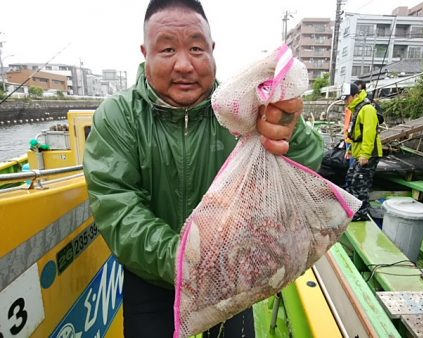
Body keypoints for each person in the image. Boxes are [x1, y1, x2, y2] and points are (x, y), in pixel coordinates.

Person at [83, 0, 324, 337]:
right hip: (152, 281)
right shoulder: (118, 116)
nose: (184, 64)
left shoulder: (242, 109)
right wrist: (185, 262)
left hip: (231, 283)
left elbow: (307, 164)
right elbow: (117, 205)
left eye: (196, 48)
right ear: (145, 52)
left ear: (212, 50)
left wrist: (289, 128)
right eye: (167, 49)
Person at [342, 83, 382, 221]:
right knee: (351, 180)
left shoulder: (367, 109)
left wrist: (365, 154)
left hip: (369, 154)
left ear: (356, 95)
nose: (346, 101)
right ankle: (354, 210)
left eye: (348, 98)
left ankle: (361, 214)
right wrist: (351, 151)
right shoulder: (357, 109)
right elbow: (356, 134)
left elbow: (369, 133)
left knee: (361, 184)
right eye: (344, 99)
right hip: (358, 153)